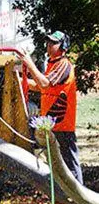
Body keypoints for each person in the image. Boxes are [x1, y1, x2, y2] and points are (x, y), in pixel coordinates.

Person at [22, 30, 83, 185]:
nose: (49, 46)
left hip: (62, 123)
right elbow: (42, 86)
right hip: (52, 122)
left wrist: (28, 63)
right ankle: (64, 198)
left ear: (63, 46)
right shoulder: (53, 64)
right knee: (57, 164)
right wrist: (21, 81)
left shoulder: (63, 64)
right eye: (48, 42)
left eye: (53, 43)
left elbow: (44, 83)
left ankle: (79, 200)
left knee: (70, 164)